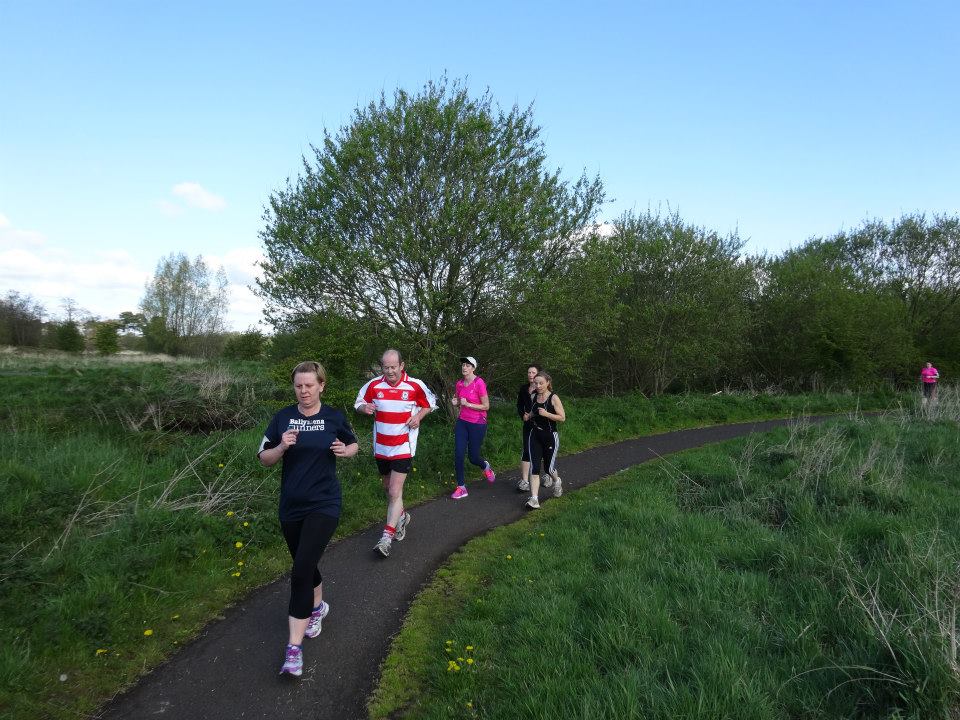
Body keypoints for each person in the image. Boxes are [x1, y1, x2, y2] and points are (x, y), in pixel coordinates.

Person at [257, 361, 359, 678]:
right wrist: (281, 446)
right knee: (305, 562)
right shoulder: (282, 418)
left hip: (324, 503)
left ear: (321, 386)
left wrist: (346, 450)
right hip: (291, 506)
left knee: (300, 570)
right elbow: (264, 459)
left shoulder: (333, 417)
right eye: (298, 386)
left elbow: (353, 443)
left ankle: (293, 649)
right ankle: (317, 608)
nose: (303, 391)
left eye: (309, 385)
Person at [355, 349, 437, 557]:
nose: (390, 371)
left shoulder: (415, 385)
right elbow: (358, 403)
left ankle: (386, 538)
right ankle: (402, 516)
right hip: (381, 447)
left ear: (402, 365)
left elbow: (429, 404)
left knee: (394, 491)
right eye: (386, 367)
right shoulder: (373, 385)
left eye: (393, 367)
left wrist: (418, 417)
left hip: (403, 446)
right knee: (388, 488)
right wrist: (364, 408)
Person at [449, 356, 495, 499]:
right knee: (458, 454)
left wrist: (468, 404)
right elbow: (459, 402)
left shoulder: (479, 383)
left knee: (473, 457)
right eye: (463, 365)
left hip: (477, 423)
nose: (464, 367)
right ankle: (461, 487)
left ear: (473, 368)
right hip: (462, 422)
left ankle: (485, 466)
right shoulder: (459, 384)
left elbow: (486, 406)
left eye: (468, 365)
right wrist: (456, 402)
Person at [524, 371, 566, 509]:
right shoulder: (533, 396)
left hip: (550, 436)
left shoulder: (553, 398)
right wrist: (529, 416)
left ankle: (557, 481)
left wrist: (547, 414)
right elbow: (534, 411)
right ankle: (534, 499)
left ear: (548, 382)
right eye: (536, 383)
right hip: (535, 435)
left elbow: (562, 417)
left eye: (541, 383)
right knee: (534, 468)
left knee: (548, 468)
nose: (538, 386)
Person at [515, 364, 540, 492]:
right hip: (527, 424)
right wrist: (523, 415)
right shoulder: (524, 388)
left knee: (540, 451)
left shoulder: (542, 389)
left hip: (541, 424)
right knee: (526, 449)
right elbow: (519, 405)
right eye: (529, 372)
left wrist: (532, 414)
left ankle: (548, 474)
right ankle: (525, 481)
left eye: (533, 372)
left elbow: (545, 406)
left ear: (538, 374)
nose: (530, 375)